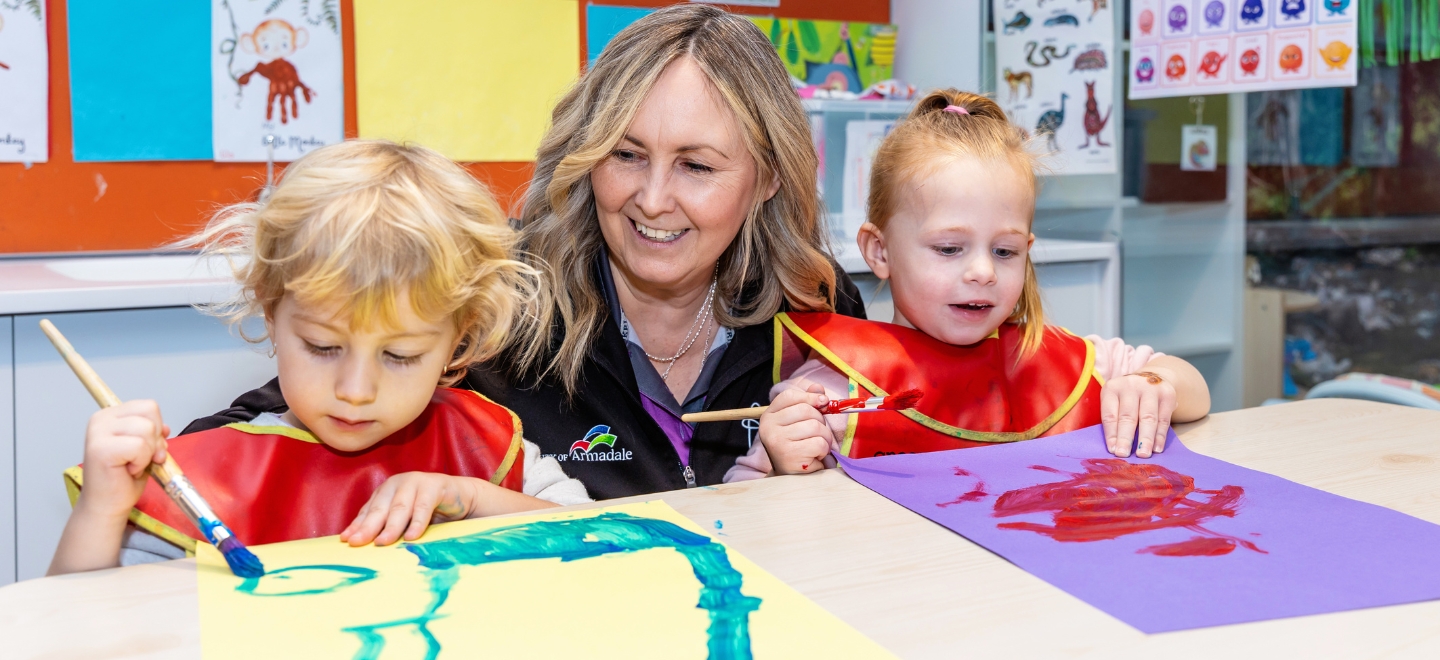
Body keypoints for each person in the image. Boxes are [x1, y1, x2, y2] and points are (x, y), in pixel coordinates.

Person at [183, 5, 867, 499]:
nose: (653, 199)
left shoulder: (816, 305)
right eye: (625, 154)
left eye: (696, 166)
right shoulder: (499, 291)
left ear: (768, 178)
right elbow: (264, 428)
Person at [48, 140, 589, 576]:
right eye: (324, 347)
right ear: (270, 312)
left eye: (400, 355)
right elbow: (78, 624)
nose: (355, 390)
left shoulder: (481, 445)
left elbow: (599, 536)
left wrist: (471, 498)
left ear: (457, 342)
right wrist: (102, 510)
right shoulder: (209, 474)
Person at [727, 90, 1212, 481]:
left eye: (1005, 252)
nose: (983, 272)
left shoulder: (1059, 361)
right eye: (949, 249)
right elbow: (744, 511)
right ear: (880, 251)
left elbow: (1195, 390)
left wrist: (1154, 384)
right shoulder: (831, 391)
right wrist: (784, 464)